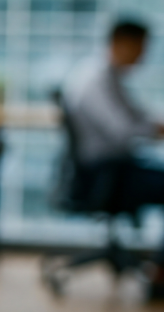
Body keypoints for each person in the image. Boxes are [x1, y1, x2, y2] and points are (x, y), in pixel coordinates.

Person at [63, 19, 164, 297]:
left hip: (115, 168)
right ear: (121, 43)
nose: (143, 56)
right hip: (105, 174)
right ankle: (160, 273)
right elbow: (122, 130)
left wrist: (154, 126)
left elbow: (136, 116)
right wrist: (154, 130)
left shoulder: (109, 77)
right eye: (140, 48)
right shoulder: (95, 79)